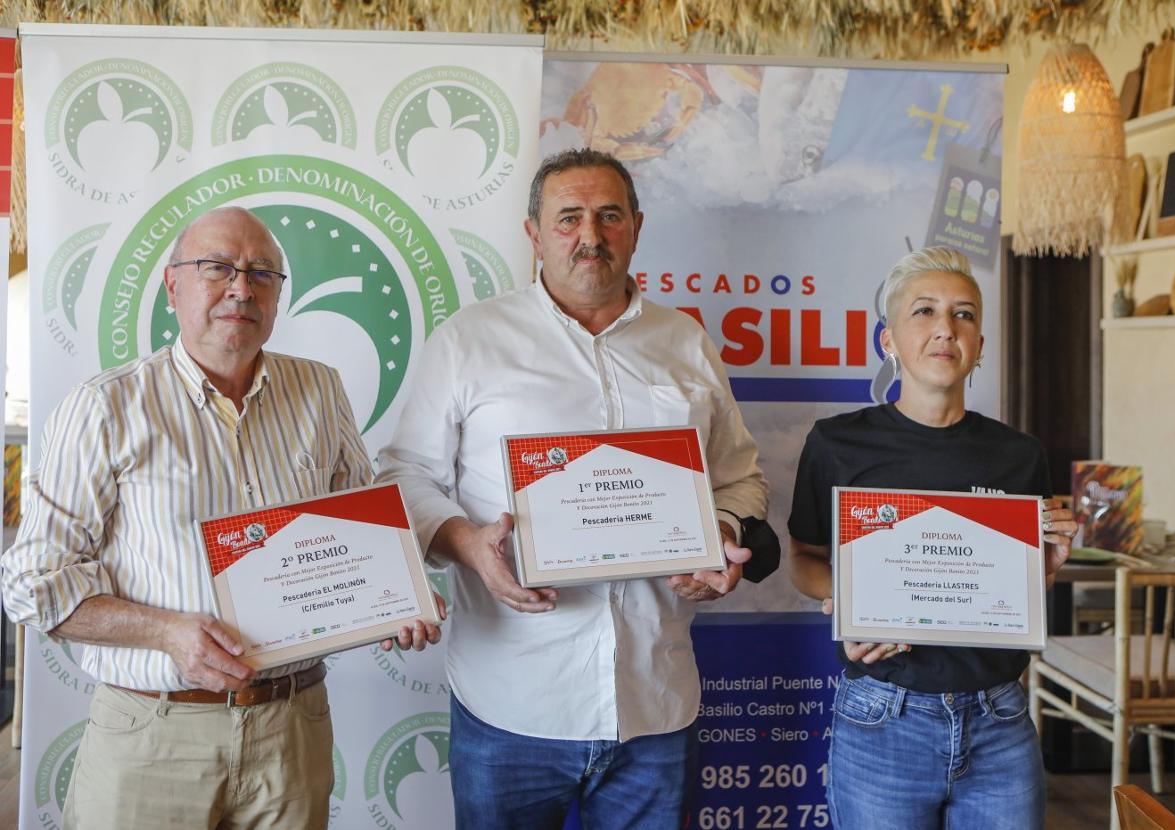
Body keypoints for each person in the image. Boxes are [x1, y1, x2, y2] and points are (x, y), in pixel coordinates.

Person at [1, 206, 442, 830]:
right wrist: (167, 632)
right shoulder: (105, 406)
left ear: (279, 294)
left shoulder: (320, 390)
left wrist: (397, 598)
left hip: (292, 730)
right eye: (217, 268)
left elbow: (359, 541)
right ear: (172, 285)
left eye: (262, 273)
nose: (241, 288)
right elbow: (31, 585)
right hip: (153, 735)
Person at [378, 148, 768, 829]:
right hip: (511, 704)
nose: (590, 235)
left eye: (610, 216)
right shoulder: (470, 340)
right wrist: (468, 545)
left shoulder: (686, 342)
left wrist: (724, 533)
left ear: (636, 228)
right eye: (569, 218)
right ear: (534, 233)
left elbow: (739, 476)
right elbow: (405, 474)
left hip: (655, 700)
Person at [787, 246, 1075, 830]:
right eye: (924, 311)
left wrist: (1044, 569)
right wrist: (850, 605)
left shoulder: (1020, 456)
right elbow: (804, 558)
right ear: (888, 339)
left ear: (979, 345)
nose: (946, 328)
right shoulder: (837, 443)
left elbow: (1011, 590)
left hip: (999, 720)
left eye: (963, 314)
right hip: (883, 716)